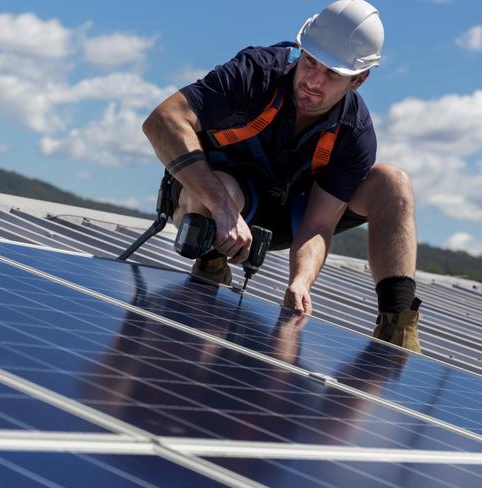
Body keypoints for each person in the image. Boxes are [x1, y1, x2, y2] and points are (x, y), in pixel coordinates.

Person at [142, 0, 422, 353]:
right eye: (310, 62)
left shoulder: (354, 133)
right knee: (224, 190)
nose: (312, 82)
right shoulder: (255, 73)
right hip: (218, 201)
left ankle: (397, 332)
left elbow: (319, 225)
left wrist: (301, 281)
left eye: (332, 74)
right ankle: (211, 266)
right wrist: (223, 210)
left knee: (393, 183)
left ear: (359, 79)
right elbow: (162, 121)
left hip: (291, 216)